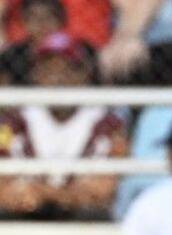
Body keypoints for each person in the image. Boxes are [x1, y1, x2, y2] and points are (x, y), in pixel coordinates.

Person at [0, 31, 125, 220]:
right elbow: (3, 188)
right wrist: (55, 196)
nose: (57, 77)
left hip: (80, 216)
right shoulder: (12, 123)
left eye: (68, 68)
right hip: (26, 213)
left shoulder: (108, 124)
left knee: (94, 215)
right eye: (48, 69)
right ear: (36, 74)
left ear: (84, 73)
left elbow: (103, 190)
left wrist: (46, 194)